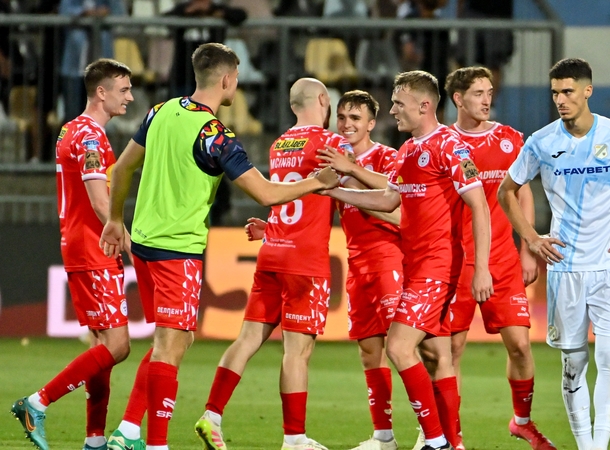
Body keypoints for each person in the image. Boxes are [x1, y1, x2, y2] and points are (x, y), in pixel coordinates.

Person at [99, 44, 339, 450]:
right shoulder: (216, 136)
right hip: (178, 248)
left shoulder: (160, 111)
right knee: (169, 346)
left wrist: (115, 219)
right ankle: (153, 442)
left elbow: (121, 168)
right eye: (237, 78)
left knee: (174, 341)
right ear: (227, 80)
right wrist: (318, 182)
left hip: (141, 241)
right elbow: (264, 193)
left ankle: (130, 431)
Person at [496, 57, 610, 450]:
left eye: (568, 91)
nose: (560, 99)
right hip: (566, 269)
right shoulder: (541, 142)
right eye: (555, 92)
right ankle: (587, 447)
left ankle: (599, 446)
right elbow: (505, 191)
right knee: (573, 364)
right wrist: (530, 237)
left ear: (587, 91)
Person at [322, 70, 492, 450]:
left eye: (399, 103)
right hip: (416, 267)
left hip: (439, 264)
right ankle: (452, 442)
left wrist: (481, 269)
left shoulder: (451, 146)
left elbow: (479, 206)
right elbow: (388, 200)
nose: (393, 110)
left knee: (398, 346)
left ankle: (435, 441)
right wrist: (333, 192)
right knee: (433, 353)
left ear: (425, 105)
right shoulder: (408, 151)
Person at [193, 77, 352, 450]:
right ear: (323, 100)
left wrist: (272, 227)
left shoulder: (282, 143)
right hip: (305, 261)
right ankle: (295, 439)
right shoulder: (331, 143)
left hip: (273, 252)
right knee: (297, 351)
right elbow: (356, 176)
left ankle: (212, 414)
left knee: (247, 338)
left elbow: (287, 196)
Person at [10, 58, 134, 450]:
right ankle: (37, 402)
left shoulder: (71, 129)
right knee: (118, 347)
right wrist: (130, 240)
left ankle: (94, 439)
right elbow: (100, 201)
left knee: (102, 346)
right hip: (93, 247)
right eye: (124, 89)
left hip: (82, 246)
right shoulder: (93, 138)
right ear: (102, 92)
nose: (130, 97)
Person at [443, 66, 554, 450]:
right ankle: (451, 439)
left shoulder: (509, 139)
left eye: (489, 92)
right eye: (477, 93)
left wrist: (528, 248)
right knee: (452, 350)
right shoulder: (442, 142)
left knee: (520, 346)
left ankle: (521, 421)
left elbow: (521, 194)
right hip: (455, 262)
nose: (486, 100)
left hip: (503, 257)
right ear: (458, 99)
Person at [316, 90, 404, 450]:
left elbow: (400, 213)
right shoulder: (333, 162)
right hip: (358, 265)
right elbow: (313, 204)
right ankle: (384, 437)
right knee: (370, 351)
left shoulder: (389, 158)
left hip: (390, 261)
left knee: (408, 350)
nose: (347, 124)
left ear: (371, 123)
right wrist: (271, 228)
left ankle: (436, 434)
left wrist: (350, 177)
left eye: (355, 118)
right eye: (342, 117)